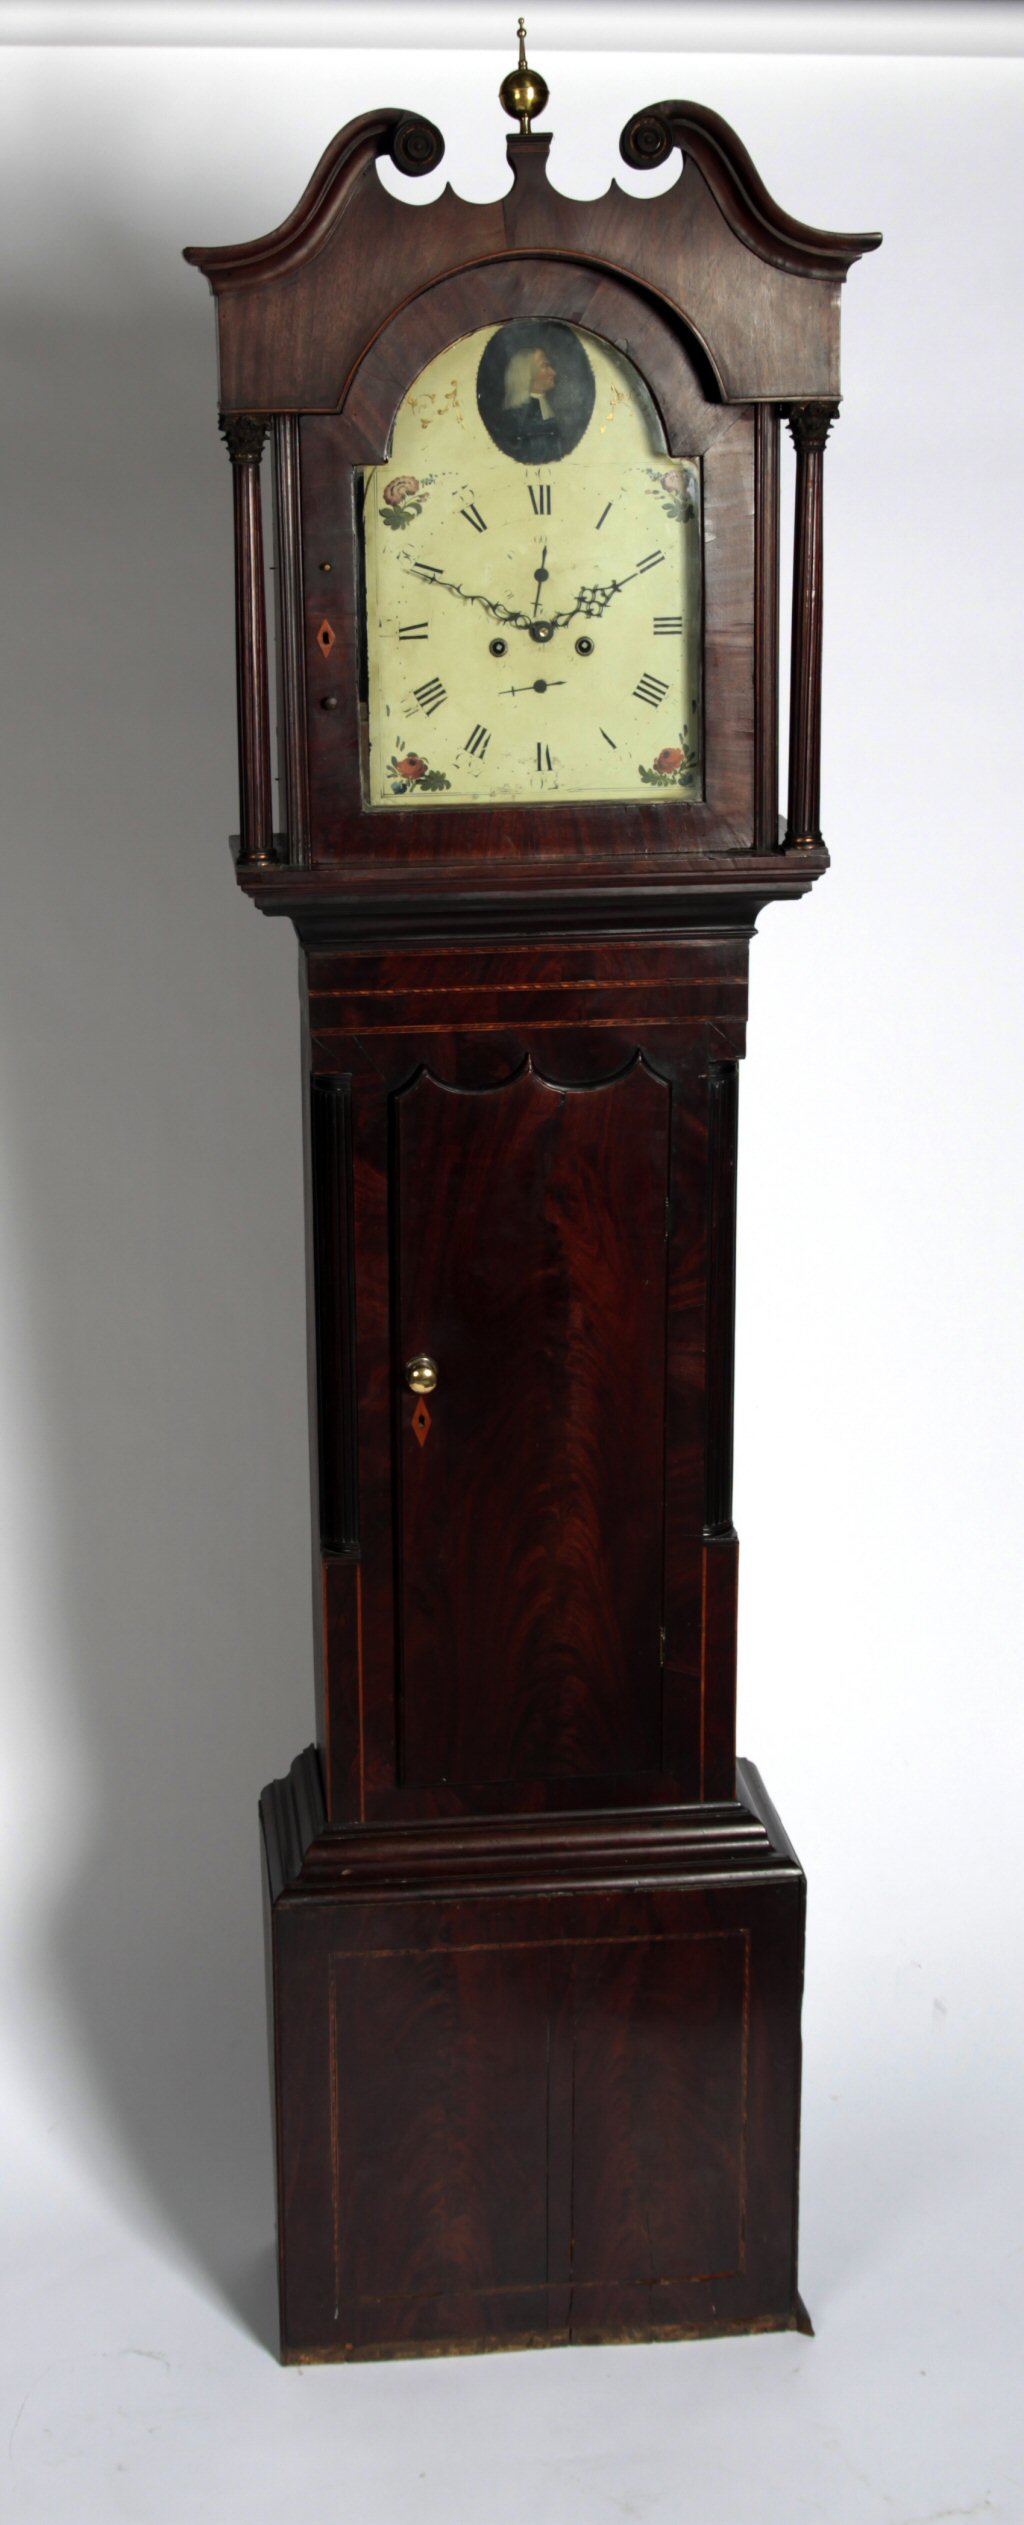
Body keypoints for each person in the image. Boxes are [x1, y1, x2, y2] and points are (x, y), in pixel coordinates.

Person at [500, 343, 563, 461]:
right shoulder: (514, 418)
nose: (553, 372)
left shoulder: (557, 408)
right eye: (545, 365)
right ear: (526, 373)